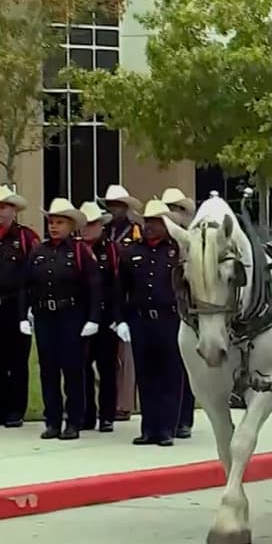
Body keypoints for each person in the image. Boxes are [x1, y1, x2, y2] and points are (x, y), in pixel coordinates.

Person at [25, 198, 102, 440]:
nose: (54, 227)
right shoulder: (39, 251)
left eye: (59, 222)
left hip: (71, 316)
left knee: (73, 371)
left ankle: (74, 421)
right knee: (48, 371)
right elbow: (25, 286)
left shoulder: (80, 252)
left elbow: (94, 287)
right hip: (45, 316)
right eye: (51, 222)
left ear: (70, 225)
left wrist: (93, 318)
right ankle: (52, 420)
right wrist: (23, 314)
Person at [118, 199, 185, 446]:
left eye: (156, 222)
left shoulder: (177, 251)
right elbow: (121, 288)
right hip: (141, 319)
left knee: (169, 374)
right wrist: (122, 320)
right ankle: (149, 427)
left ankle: (167, 428)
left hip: (169, 318)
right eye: (147, 221)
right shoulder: (132, 252)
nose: (150, 226)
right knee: (145, 375)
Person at [0, 186, 40, 428]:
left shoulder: (26, 237)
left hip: (16, 305)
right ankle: (1, 408)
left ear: (13, 210)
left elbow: (35, 271)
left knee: (16, 359)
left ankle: (16, 409)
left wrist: (30, 307)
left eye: (2, 207)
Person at [78, 201, 124, 434]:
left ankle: (107, 415)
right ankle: (86, 414)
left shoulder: (113, 250)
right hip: (81, 316)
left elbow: (119, 285)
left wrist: (118, 317)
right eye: (84, 224)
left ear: (101, 226)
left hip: (106, 317)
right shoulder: (75, 249)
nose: (87, 229)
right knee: (82, 367)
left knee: (107, 368)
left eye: (92, 224)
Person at [101, 184, 142, 422]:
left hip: (128, 296)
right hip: (106, 294)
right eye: (110, 205)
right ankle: (107, 401)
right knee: (107, 355)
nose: (113, 209)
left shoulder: (135, 231)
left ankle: (124, 403)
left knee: (127, 355)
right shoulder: (104, 230)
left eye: (117, 205)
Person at [160, 187, 197, 438]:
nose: (172, 213)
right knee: (166, 370)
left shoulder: (193, 240)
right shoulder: (166, 241)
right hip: (163, 311)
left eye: (176, 208)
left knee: (185, 368)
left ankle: (184, 419)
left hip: (184, 311)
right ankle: (166, 418)